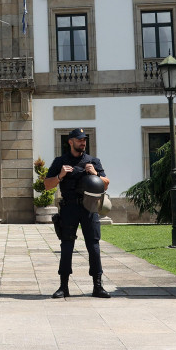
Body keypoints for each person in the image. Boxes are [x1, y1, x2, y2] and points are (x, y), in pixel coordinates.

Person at [43, 128, 111, 299]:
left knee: (94, 247)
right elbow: (47, 185)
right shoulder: (61, 161)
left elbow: (106, 183)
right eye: (79, 140)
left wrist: (95, 174)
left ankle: (97, 286)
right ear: (70, 141)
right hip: (69, 209)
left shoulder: (93, 161)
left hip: (90, 208)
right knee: (66, 247)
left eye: (84, 140)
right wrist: (60, 175)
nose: (83, 142)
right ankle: (63, 286)